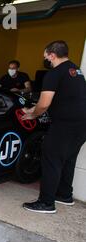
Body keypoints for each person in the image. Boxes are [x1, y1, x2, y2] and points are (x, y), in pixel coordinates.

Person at [22, 41, 86, 214]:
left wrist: (32, 114)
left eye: (45, 56)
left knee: (51, 159)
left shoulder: (54, 73)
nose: (45, 60)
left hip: (64, 125)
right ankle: (65, 195)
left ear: (52, 55)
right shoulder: (76, 71)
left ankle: (46, 203)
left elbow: (43, 104)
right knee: (68, 159)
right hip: (81, 125)